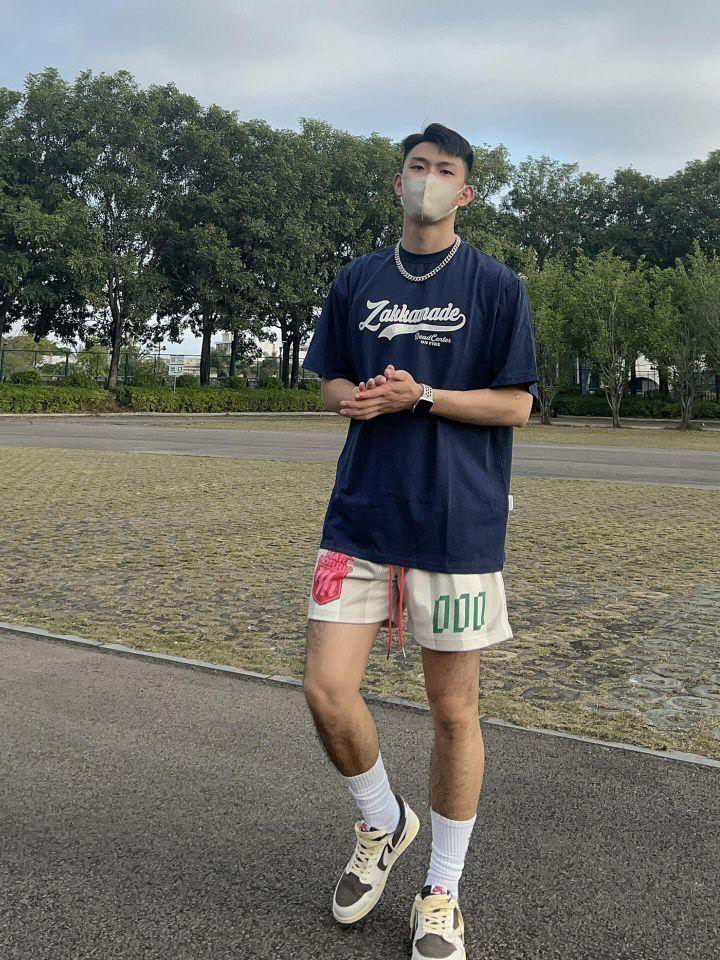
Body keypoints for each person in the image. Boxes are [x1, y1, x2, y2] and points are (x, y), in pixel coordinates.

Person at [301, 122, 539, 960]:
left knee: (453, 712)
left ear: (464, 192)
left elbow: (517, 406)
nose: (427, 179)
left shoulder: (497, 285)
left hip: (455, 524)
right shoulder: (357, 278)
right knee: (326, 690)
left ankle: (441, 891)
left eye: (444, 170)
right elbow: (328, 376)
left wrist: (424, 396)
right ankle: (381, 822)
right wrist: (353, 398)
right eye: (416, 166)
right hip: (361, 514)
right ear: (397, 180)